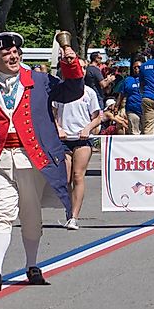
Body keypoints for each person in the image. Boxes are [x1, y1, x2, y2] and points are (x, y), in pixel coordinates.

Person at [0, 32, 85, 291]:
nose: (12, 57)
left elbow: (73, 90)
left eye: (15, 53)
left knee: (30, 214)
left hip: (31, 159)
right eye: (5, 54)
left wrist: (70, 61)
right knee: (1, 212)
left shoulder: (41, 80)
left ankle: (32, 265)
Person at [53, 81, 101, 230]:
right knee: (65, 177)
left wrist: (88, 128)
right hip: (64, 139)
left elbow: (97, 117)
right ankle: (69, 210)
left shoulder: (89, 92)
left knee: (78, 175)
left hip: (82, 139)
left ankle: (74, 216)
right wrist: (59, 128)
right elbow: (52, 114)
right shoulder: (59, 91)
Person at [115, 56, 143, 134]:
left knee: (146, 132)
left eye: (139, 67)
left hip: (145, 109)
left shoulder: (147, 79)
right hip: (132, 109)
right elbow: (121, 94)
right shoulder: (128, 80)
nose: (136, 69)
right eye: (134, 67)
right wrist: (117, 106)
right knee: (134, 132)